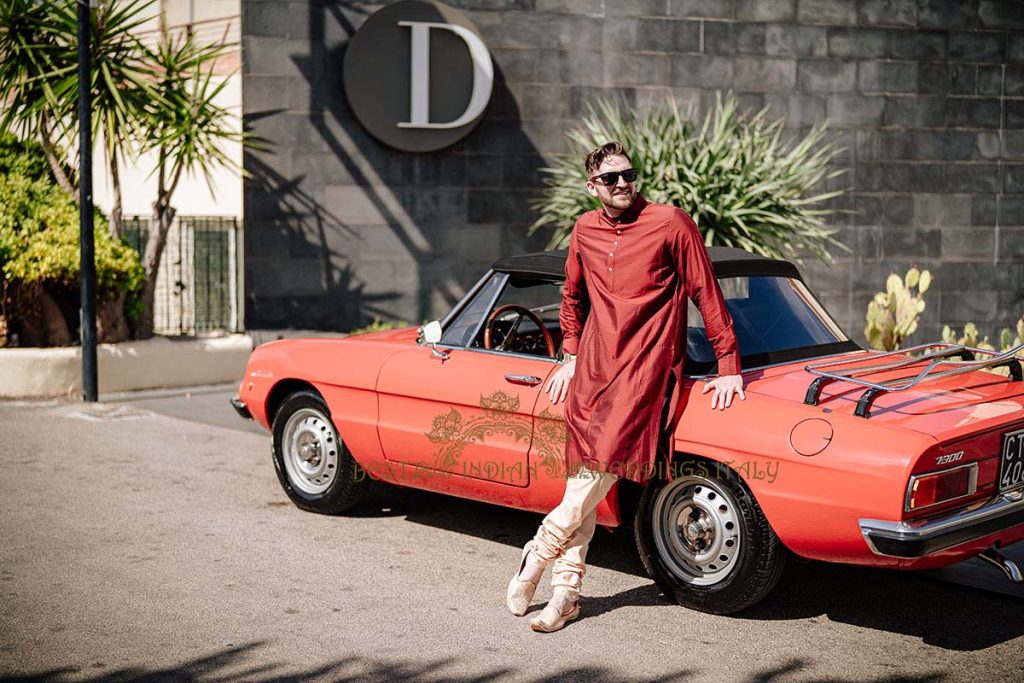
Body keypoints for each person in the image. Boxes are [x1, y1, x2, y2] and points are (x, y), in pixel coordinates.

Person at [506, 141, 745, 632]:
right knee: (583, 481)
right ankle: (566, 595)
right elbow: (571, 294)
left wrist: (728, 363)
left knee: (601, 466)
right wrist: (570, 354)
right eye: (610, 179)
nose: (622, 184)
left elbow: (705, 289)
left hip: (644, 368)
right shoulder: (585, 229)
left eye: (628, 175)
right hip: (592, 368)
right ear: (591, 186)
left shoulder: (670, 222)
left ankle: (538, 552)